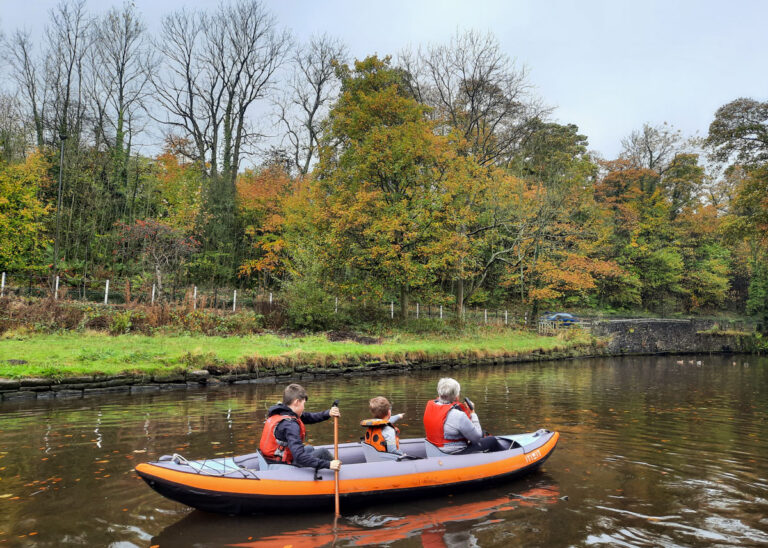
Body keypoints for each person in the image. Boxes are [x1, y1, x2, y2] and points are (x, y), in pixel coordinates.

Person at [259, 383, 341, 471]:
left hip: (271, 460)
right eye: (303, 404)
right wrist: (328, 464)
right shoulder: (290, 425)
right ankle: (341, 471)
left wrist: (328, 413)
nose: (304, 407)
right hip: (281, 466)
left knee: (309, 448)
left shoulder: (281, 412)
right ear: (297, 402)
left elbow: (309, 417)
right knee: (323, 452)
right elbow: (299, 457)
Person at [423, 377, 503, 454]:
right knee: (492, 440)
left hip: (435, 449)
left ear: (439, 392)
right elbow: (477, 438)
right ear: (456, 396)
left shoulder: (429, 407)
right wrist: (472, 413)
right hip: (453, 453)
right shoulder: (459, 415)